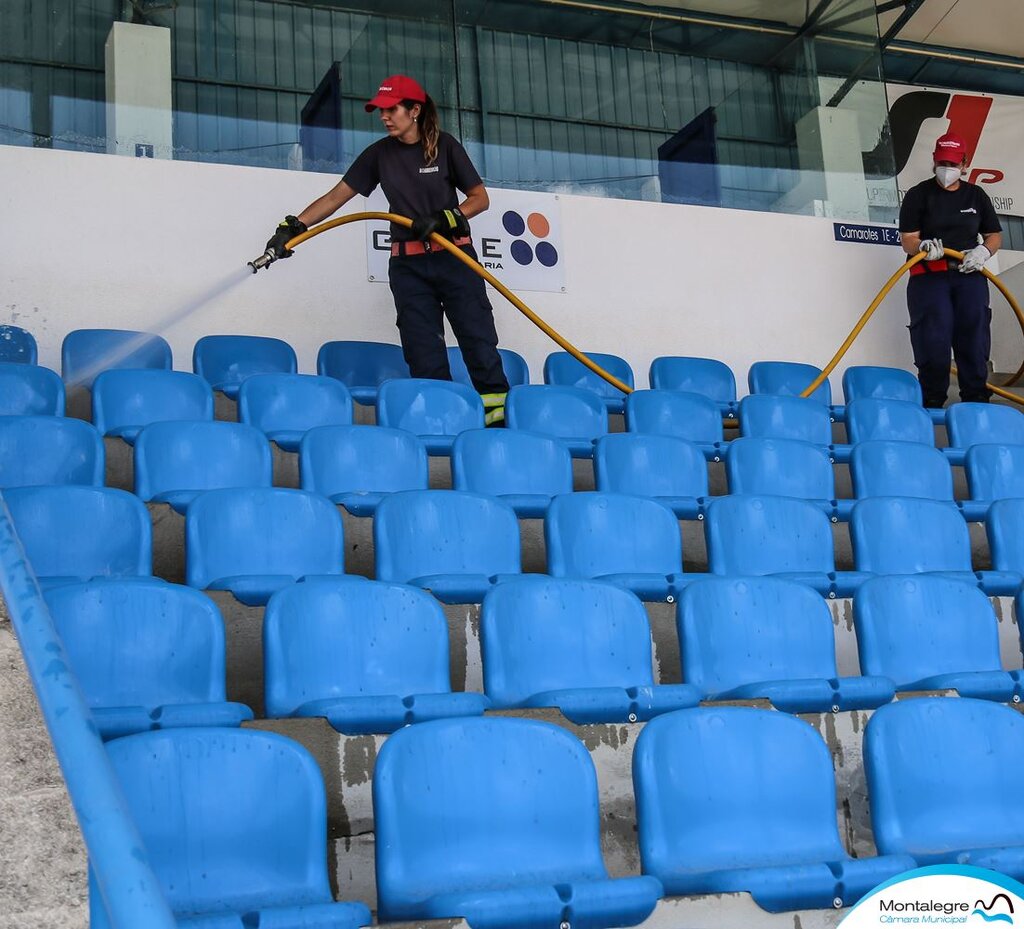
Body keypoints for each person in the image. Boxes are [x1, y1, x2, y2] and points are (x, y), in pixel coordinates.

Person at [263, 74, 509, 425]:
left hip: (454, 258)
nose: (384, 117)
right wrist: (294, 226)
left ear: (415, 110)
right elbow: (336, 197)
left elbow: (479, 199)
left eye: (391, 109)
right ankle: (444, 423)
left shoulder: (446, 146)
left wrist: (445, 218)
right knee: (423, 355)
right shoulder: (378, 155)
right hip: (408, 268)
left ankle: (497, 426)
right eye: (380, 111)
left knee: (479, 343)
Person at [898, 132, 1002, 408]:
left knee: (973, 335)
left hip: (969, 275)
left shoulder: (976, 195)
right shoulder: (918, 195)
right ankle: (931, 400)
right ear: (934, 160)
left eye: (954, 164)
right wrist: (922, 247)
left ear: (965, 163)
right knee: (934, 336)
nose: (948, 169)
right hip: (930, 277)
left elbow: (994, 235)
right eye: (943, 162)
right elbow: (907, 238)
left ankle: (976, 399)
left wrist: (983, 251)